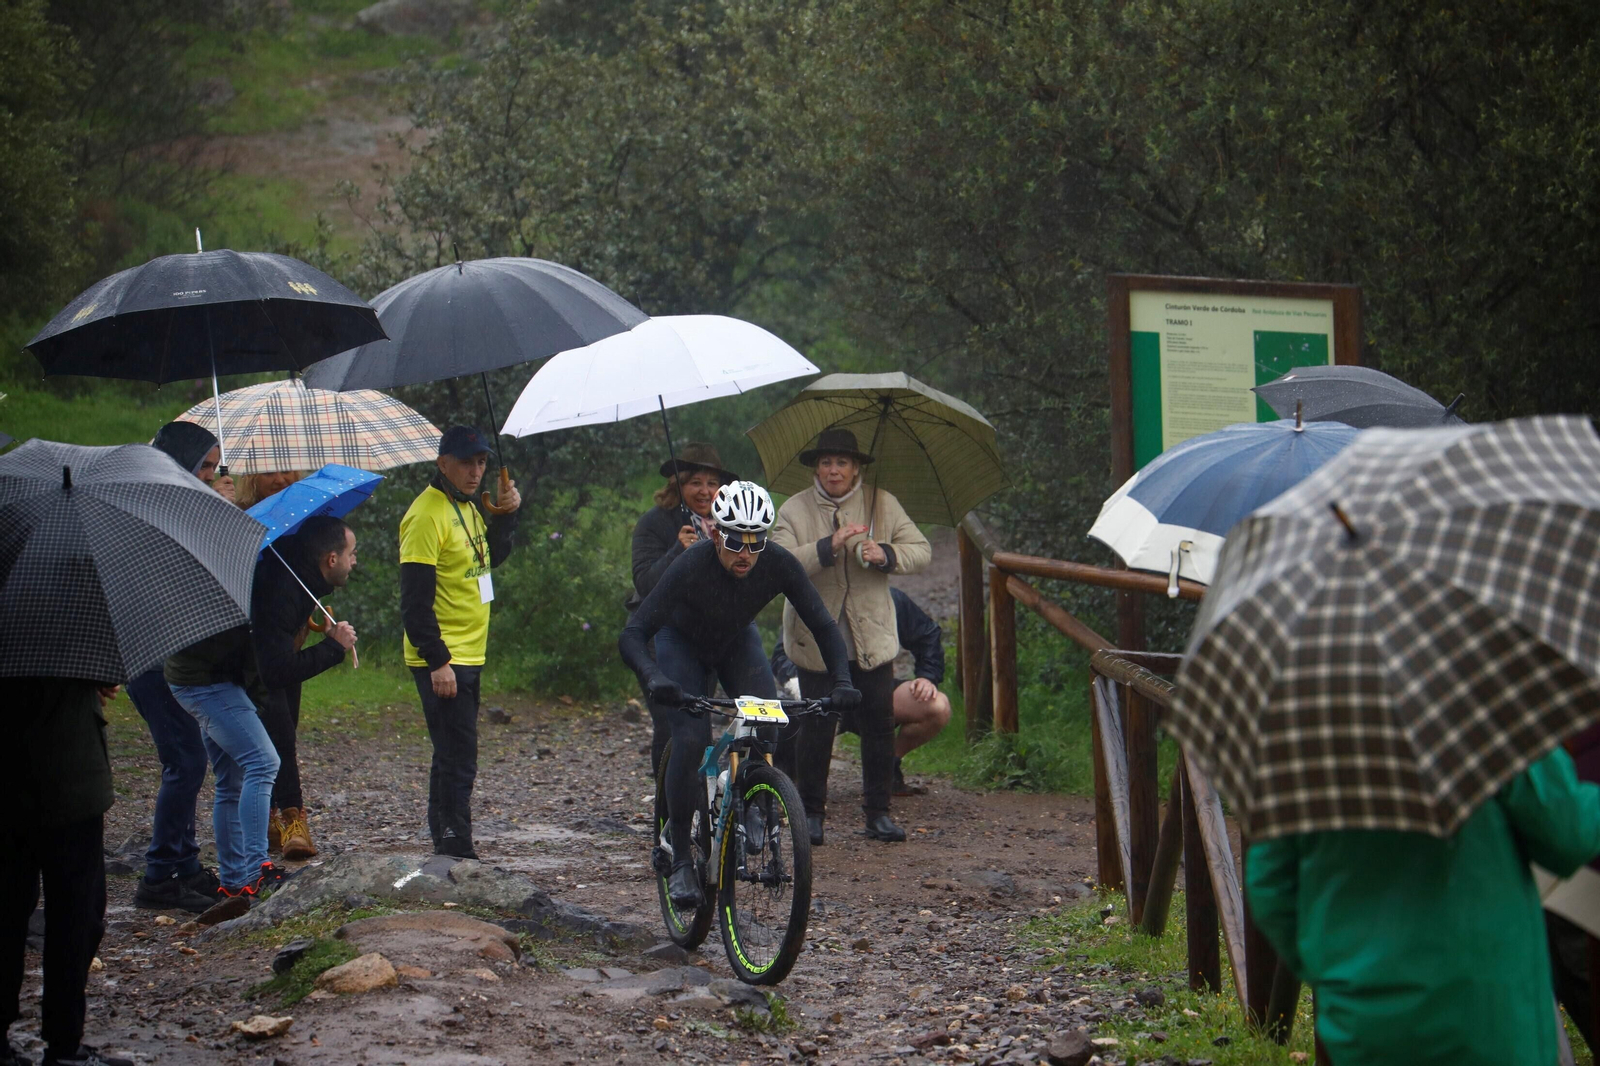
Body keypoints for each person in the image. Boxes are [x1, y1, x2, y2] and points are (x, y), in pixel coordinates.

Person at [1246, 745, 1600, 1066]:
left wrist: (1331, 965)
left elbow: (1269, 883)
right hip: (1492, 1011)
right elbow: (1569, 837)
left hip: (1362, 1016)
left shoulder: (1307, 740)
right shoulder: (1486, 712)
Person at [619, 481, 860, 909]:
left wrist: (842, 681)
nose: (746, 553)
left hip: (734, 642)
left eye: (756, 542)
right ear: (715, 534)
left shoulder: (778, 563)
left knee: (770, 720)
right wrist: (654, 676)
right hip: (681, 644)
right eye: (735, 541)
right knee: (692, 739)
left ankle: (753, 795)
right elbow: (635, 632)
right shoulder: (692, 564)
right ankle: (678, 856)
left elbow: (823, 626)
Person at [770, 427, 930, 845]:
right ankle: (811, 815)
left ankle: (878, 813)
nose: (833, 470)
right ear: (816, 468)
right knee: (818, 724)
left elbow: (921, 550)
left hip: (872, 637)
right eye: (826, 462)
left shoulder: (883, 503)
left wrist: (886, 554)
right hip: (814, 638)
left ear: (856, 466)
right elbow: (780, 562)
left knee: (879, 723)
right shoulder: (794, 509)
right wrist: (829, 544)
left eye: (842, 462)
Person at [400, 426, 521, 859]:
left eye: (482, 462)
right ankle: (456, 846)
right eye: (467, 462)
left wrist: (506, 516)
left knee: (450, 752)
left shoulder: (466, 506)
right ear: (443, 463)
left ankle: (446, 839)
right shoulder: (425, 515)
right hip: (444, 655)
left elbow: (488, 562)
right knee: (459, 756)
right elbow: (414, 602)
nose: (476, 471)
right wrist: (438, 660)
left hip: (471, 651)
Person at [125, 422, 231, 913]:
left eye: (213, 467)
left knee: (191, 759)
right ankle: (158, 875)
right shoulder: (155, 502)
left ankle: (184, 866)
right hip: (149, 654)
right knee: (185, 761)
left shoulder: (181, 499)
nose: (210, 475)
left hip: (174, 653)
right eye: (204, 466)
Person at [0, 679, 133, 1066]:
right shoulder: (75, 630)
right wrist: (91, 679)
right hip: (70, 774)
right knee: (75, 914)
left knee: (8, 910)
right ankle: (63, 1045)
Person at [251, 516, 359, 862]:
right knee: (278, 731)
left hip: (273, 662)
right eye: (351, 553)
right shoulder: (283, 587)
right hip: (250, 669)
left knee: (285, 729)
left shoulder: (301, 575)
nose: (354, 561)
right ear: (331, 559)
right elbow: (276, 669)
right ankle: (291, 820)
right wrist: (334, 648)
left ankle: (270, 820)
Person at [773, 587, 950, 796]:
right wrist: (800, 683)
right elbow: (782, 654)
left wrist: (927, 676)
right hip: (823, 695)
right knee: (783, 716)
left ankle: (887, 767)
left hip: (875, 694)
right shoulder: (813, 598)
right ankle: (792, 784)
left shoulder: (888, 598)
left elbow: (927, 634)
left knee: (938, 706)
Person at [628, 442, 738, 774]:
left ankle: (698, 804)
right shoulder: (654, 523)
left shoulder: (729, 523)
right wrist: (678, 550)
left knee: (700, 720)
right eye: (696, 483)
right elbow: (646, 584)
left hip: (706, 633)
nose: (705, 492)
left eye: (712, 483)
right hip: (657, 634)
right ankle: (667, 809)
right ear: (678, 483)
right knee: (672, 722)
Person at [234, 469, 303, 509]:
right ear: (251, 479)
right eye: (268, 473)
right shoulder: (239, 515)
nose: (280, 480)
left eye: (285, 470)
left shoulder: (307, 508)